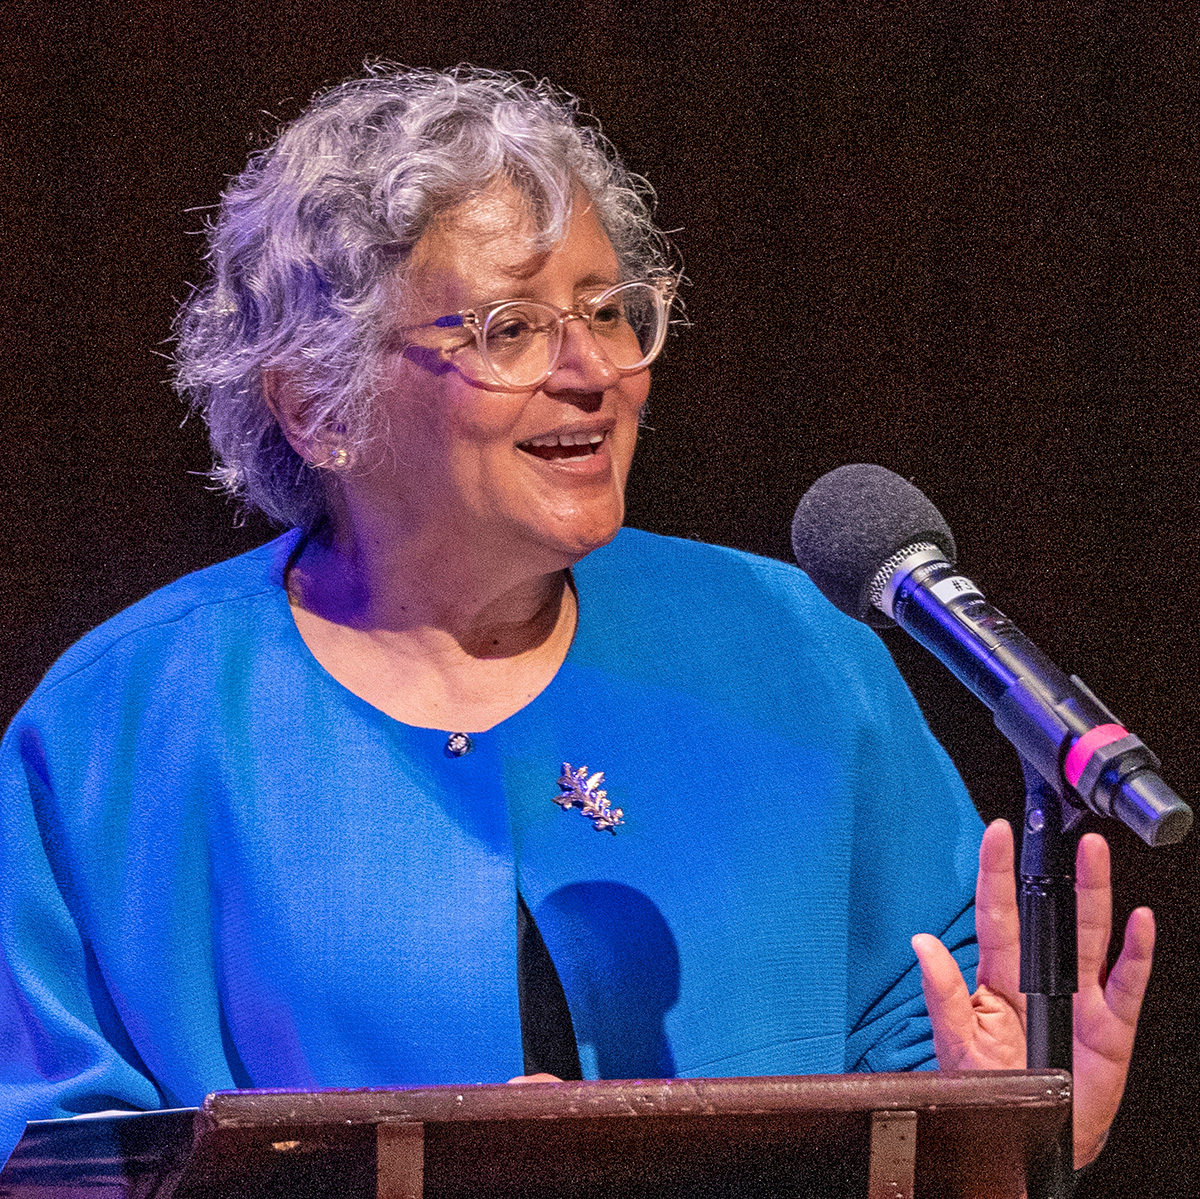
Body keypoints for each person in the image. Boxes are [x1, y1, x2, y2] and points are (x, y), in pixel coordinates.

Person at [0, 65, 1153, 1174]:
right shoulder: (121, 729)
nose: (595, 369)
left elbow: (931, 1056)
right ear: (318, 405)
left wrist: (1012, 1141)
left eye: (609, 311)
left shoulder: (797, 651)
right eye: (509, 330)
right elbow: (60, 1157)